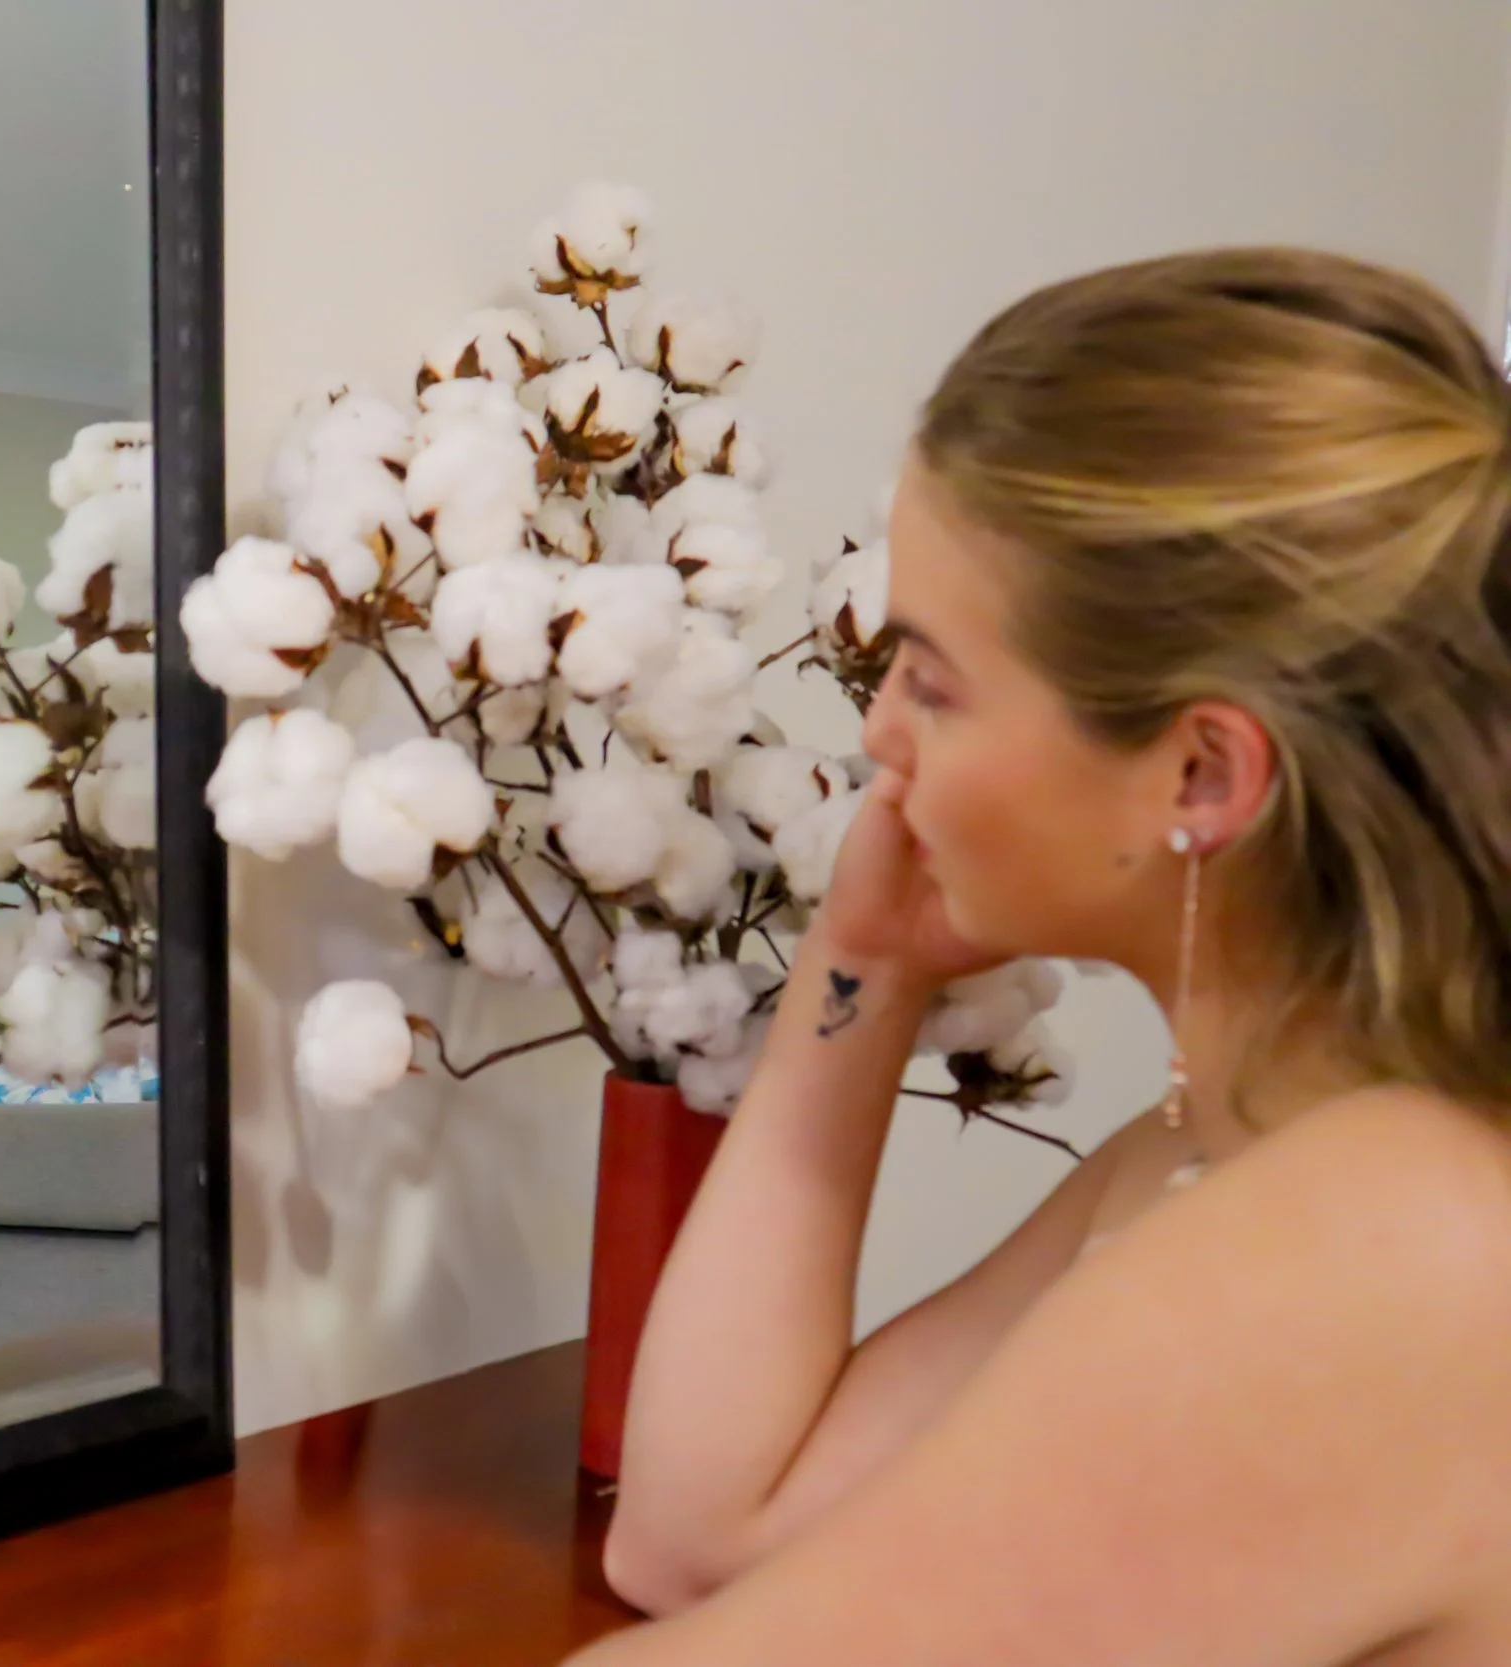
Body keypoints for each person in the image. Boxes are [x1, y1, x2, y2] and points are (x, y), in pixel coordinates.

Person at [577, 250, 1511, 1664]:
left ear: (1201, 773)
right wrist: (866, 962)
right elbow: (696, 1541)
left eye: (936, 680)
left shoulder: (1388, 1231)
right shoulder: (1213, 1144)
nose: (881, 729)